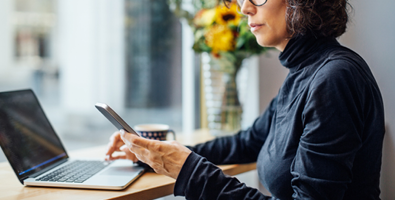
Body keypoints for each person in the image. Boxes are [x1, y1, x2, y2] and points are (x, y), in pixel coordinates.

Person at [105, 0, 385, 199]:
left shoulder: (334, 78)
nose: (244, 8)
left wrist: (189, 171)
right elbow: (248, 142)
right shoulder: (305, 72)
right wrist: (157, 155)